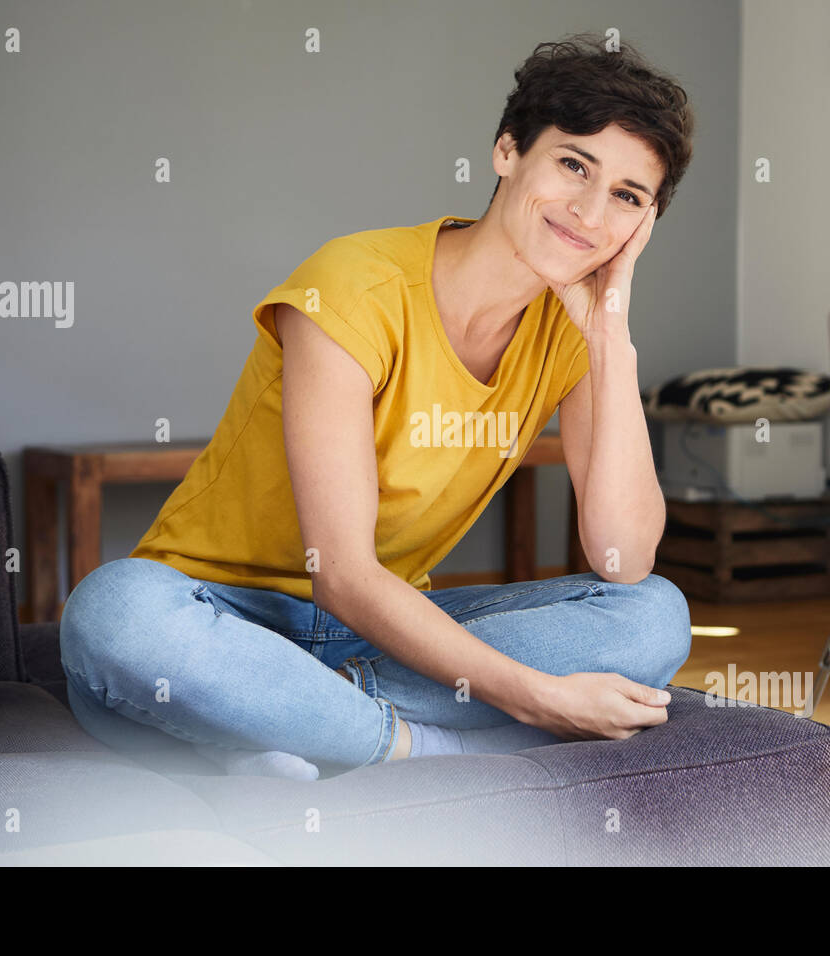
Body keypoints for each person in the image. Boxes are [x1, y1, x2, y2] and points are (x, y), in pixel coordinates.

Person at [59, 34, 697, 780]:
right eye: (572, 165)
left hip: (380, 641)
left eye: (627, 196)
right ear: (506, 152)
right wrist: (539, 700)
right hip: (220, 615)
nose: (591, 212)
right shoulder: (353, 287)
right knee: (114, 618)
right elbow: (342, 575)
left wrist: (611, 338)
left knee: (654, 614)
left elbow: (623, 559)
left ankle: (288, 724)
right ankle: (422, 750)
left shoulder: (576, 328)